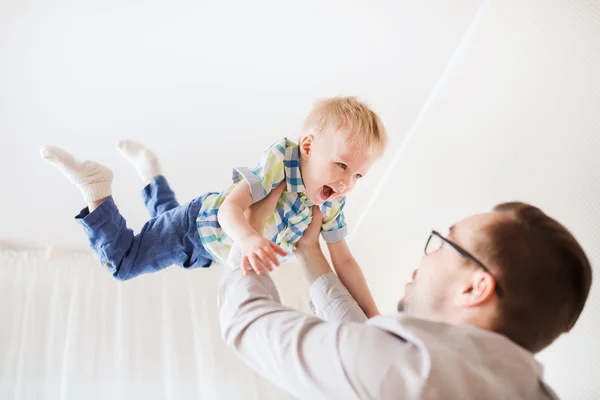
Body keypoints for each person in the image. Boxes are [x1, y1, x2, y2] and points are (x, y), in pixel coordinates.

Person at [219, 182, 592, 400]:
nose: (425, 258)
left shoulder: (414, 374)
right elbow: (367, 347)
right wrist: (311, 252)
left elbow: (246, 322)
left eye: (446, 243)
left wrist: (249, 231)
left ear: (474, 287)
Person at [40, 96, 388, 317]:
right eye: (342, 166)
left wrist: (372, 315)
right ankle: (95, 185)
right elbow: (229, 209)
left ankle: (150, 173)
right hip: (199, 225)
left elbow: (343, 259)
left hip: (210, 252)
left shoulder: (330, 204)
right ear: (309, 146)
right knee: (123, 263)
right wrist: (249, 239)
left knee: (163, 223)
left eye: (358, 175)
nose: (346, 184)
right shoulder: (283, 161)